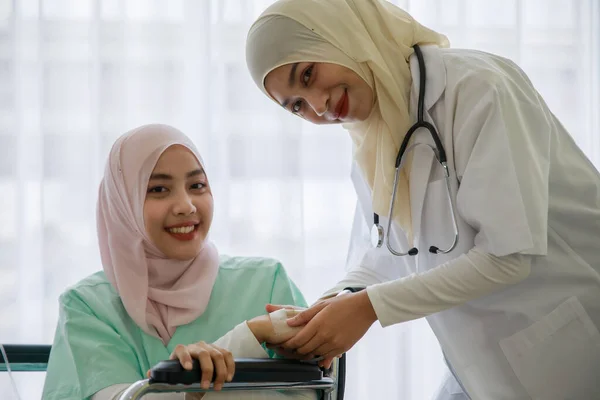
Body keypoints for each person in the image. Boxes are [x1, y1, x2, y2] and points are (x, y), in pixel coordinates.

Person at [245, 0, 600, 399]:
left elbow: (509, 255)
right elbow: (385, 253)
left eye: (308, 74)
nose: (318, 106)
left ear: (340, 34)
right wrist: (330, 307)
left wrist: (367, 308)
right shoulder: (374, 140)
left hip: (573, 342)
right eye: (296, 106)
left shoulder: (479, 89)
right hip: (483, 365)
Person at [42, 124, 316, 400]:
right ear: (123, 204)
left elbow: (312, 392)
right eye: (159, 189)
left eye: (197, 185)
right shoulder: (88, 306)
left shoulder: (265, 282)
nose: (186, 205)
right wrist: (249, 336)